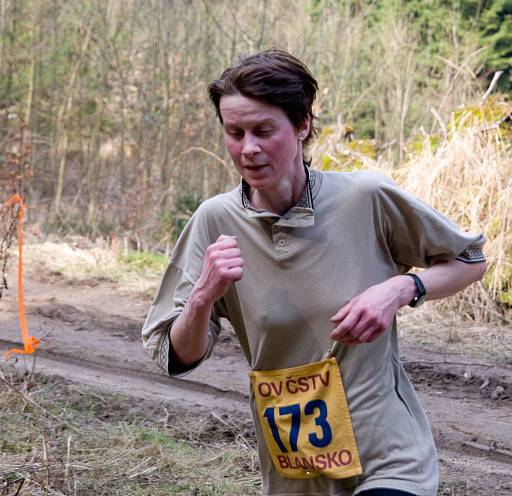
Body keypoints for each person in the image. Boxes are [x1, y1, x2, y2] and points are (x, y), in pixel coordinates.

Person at [142, 49, 486, 496]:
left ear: (302, 125)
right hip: (294, 467)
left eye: (265, 131)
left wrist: (402, 287)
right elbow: (177, 357)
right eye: (235, 133)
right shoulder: (214, 221)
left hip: (387, 453)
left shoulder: (365, 197)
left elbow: (470, 261)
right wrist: (203, 297)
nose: (248, 148)